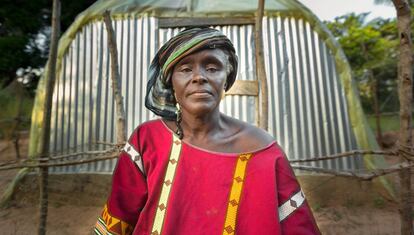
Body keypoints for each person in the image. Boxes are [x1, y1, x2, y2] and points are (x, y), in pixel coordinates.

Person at [94, 27, 320, 235]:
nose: (199, 77)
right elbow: (119, 217)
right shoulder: (147, 140)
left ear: (226, 78)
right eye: (185, 69)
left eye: (212, 67)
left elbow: (297, 226)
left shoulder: (263, 150)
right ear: (170, 81)